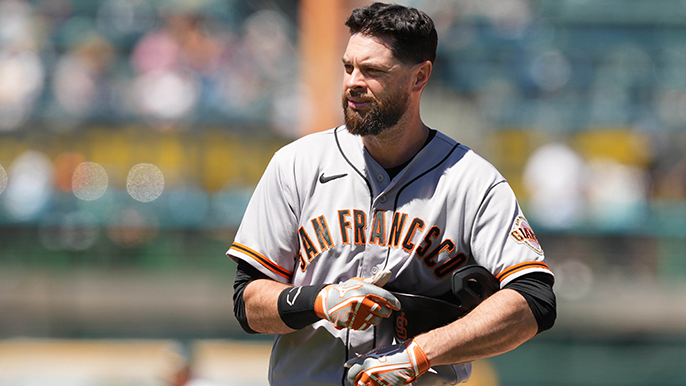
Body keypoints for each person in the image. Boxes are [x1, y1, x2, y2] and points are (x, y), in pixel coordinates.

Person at [229, 3, 556, 386]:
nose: (353, 82)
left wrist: (419, 354)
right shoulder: (297, 165)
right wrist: (320, 300)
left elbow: (534, 300)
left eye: (373, 71)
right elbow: (247, 302)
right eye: (348, 67)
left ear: (419, 77)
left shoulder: (473, 182)